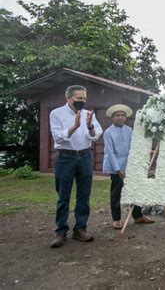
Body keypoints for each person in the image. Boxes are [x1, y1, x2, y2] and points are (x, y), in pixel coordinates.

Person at [49, 85, 103, 248]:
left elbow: (96, 135)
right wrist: (73, 126)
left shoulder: (89, 114)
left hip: (85, 156)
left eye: (84, 98)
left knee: (84, 195)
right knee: (63, 196)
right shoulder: (56, 113)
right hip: (65, 158)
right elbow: (58, 138)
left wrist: (90, 126)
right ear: (69, 98)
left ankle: (80, 228)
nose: (83, 101)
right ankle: (61, 231)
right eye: (79, 98)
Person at [103, 104, 154, 230]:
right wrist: (118, 169)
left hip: (130, 165)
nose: (120, 118)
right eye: (117, 115)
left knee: (134, 189)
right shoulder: (108, 133)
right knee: (116, 192)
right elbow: (110, 152)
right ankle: (116, 219)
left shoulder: (129, 130)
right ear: (112, 118)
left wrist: (147, 152)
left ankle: (138, 216)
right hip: (116, 166)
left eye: (122, 115)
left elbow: (134, 146)